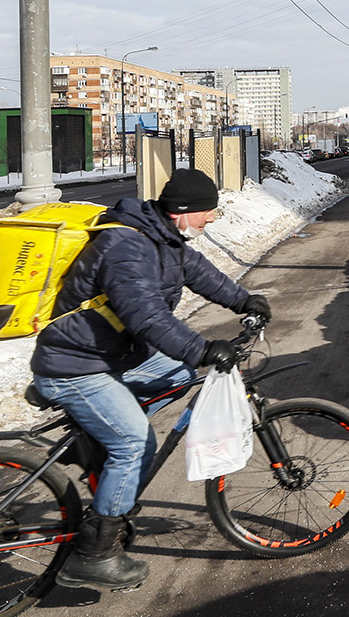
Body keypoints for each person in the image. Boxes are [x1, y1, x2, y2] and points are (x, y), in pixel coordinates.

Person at [30, 168, 272, 590]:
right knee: (135, 443)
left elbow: (200, 274)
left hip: (109, 357)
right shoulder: (125, 245)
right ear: (181, 212)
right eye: (207, 212)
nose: (212, 218)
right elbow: (145, 316)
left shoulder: (163, 238)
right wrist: (202, 348)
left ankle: (98, 444)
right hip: (75, 366)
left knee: (178, 373)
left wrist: (243, 299)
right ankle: (95, 554)